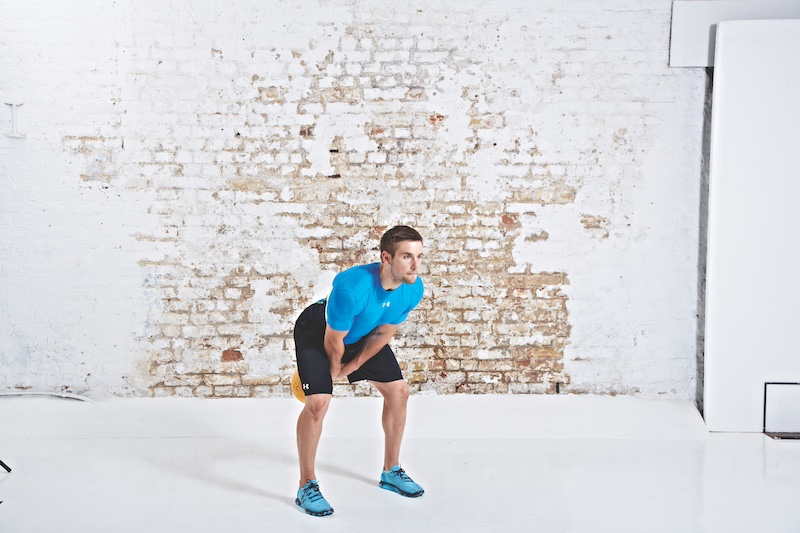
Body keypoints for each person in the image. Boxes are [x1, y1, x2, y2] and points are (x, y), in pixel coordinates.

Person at [293, 225, 426, 517]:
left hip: (364, 333)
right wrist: (332, 372)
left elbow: (383, 333)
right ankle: (306, 486)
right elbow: (333, 339)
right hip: (320, 332)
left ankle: (391, 471)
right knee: (318, 402)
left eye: (418, 256)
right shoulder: (352, 287)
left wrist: (352, 366)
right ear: (387, 258)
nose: (415, 265)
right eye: (407, 257)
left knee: (399, 392)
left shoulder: (413, 289)